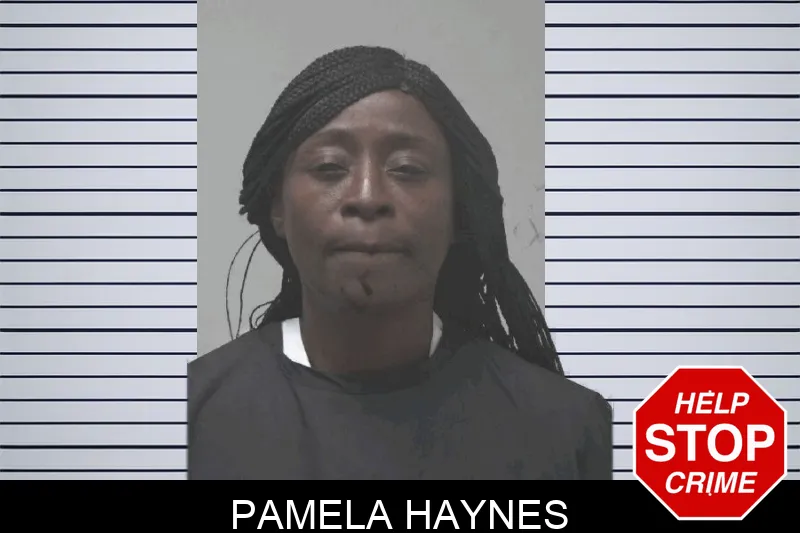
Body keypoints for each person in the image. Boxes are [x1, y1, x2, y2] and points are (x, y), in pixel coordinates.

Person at [188, 45, 612, 480]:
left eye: (407, 169)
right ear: (278, 207)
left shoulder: (569, 430)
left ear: (458, 211)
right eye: (330, 167)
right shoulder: (187, 422)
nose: (367, 197)